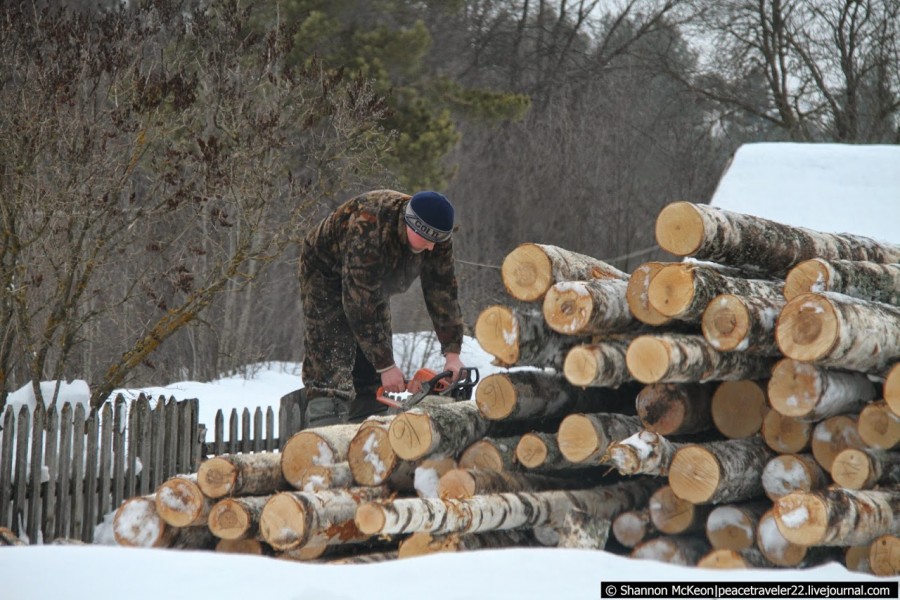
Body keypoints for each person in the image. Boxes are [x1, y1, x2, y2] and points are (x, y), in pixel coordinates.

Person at [298, 189, 465, 427]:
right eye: (427, 239)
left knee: (372, 370)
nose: (430, 248)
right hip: (325, 273)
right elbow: (358, 304)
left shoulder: (436, 240)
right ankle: (324, 434)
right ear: (411, 225)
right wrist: (386, 365)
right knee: (331, 357)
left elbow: (443, 292)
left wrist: (452, 353)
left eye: (436, 241)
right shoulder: (369, 225)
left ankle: (367, 428)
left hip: (372, 281)